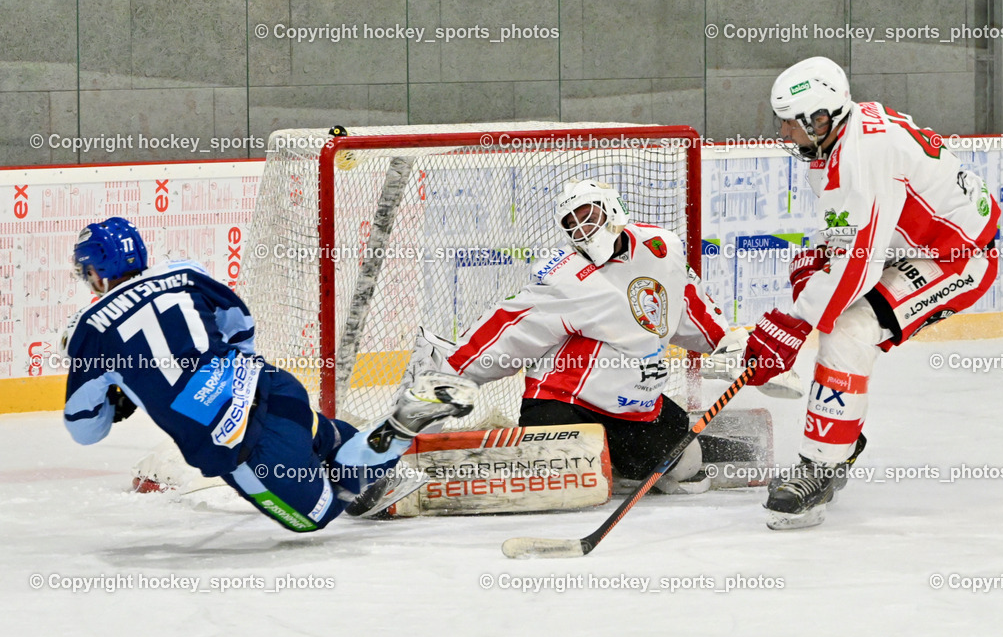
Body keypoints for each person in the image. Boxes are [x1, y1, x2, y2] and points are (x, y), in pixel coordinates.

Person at [61, 217, 478, 531]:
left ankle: (404, 422)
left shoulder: (90, 328)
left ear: (96, 270)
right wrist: (235, 381)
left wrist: (114, 402)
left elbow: (83, 430)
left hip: (240, 445)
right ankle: (349, 447)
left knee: (314, 516)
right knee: (318, 438)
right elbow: (240, 324)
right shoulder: (184, 275)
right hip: (275, 387)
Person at [744, 56, 1001, 529]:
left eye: (790, 124)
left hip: (955, 258)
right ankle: (840, 436)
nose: (784, 135)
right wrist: (813, 275)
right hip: (910, 242)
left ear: (821, 119)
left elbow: (858, 265)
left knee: (847, 331)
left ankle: (821, 465)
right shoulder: (840, 140)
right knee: (814, 275)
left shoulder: (862, 159)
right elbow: (846, 238)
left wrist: (793, 324)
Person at [420, 179, 749, 494]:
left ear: (613, 209)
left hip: (636, 410)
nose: (583, 229)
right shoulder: (566, 274)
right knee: (560, 474)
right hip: (563, 405)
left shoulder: (661, 249)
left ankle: (735, 450)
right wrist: (454, 368)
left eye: (589, 216)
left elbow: (682, 305)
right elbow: (512, 325)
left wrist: (727, 344)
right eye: (572, 224)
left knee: (686, 465)